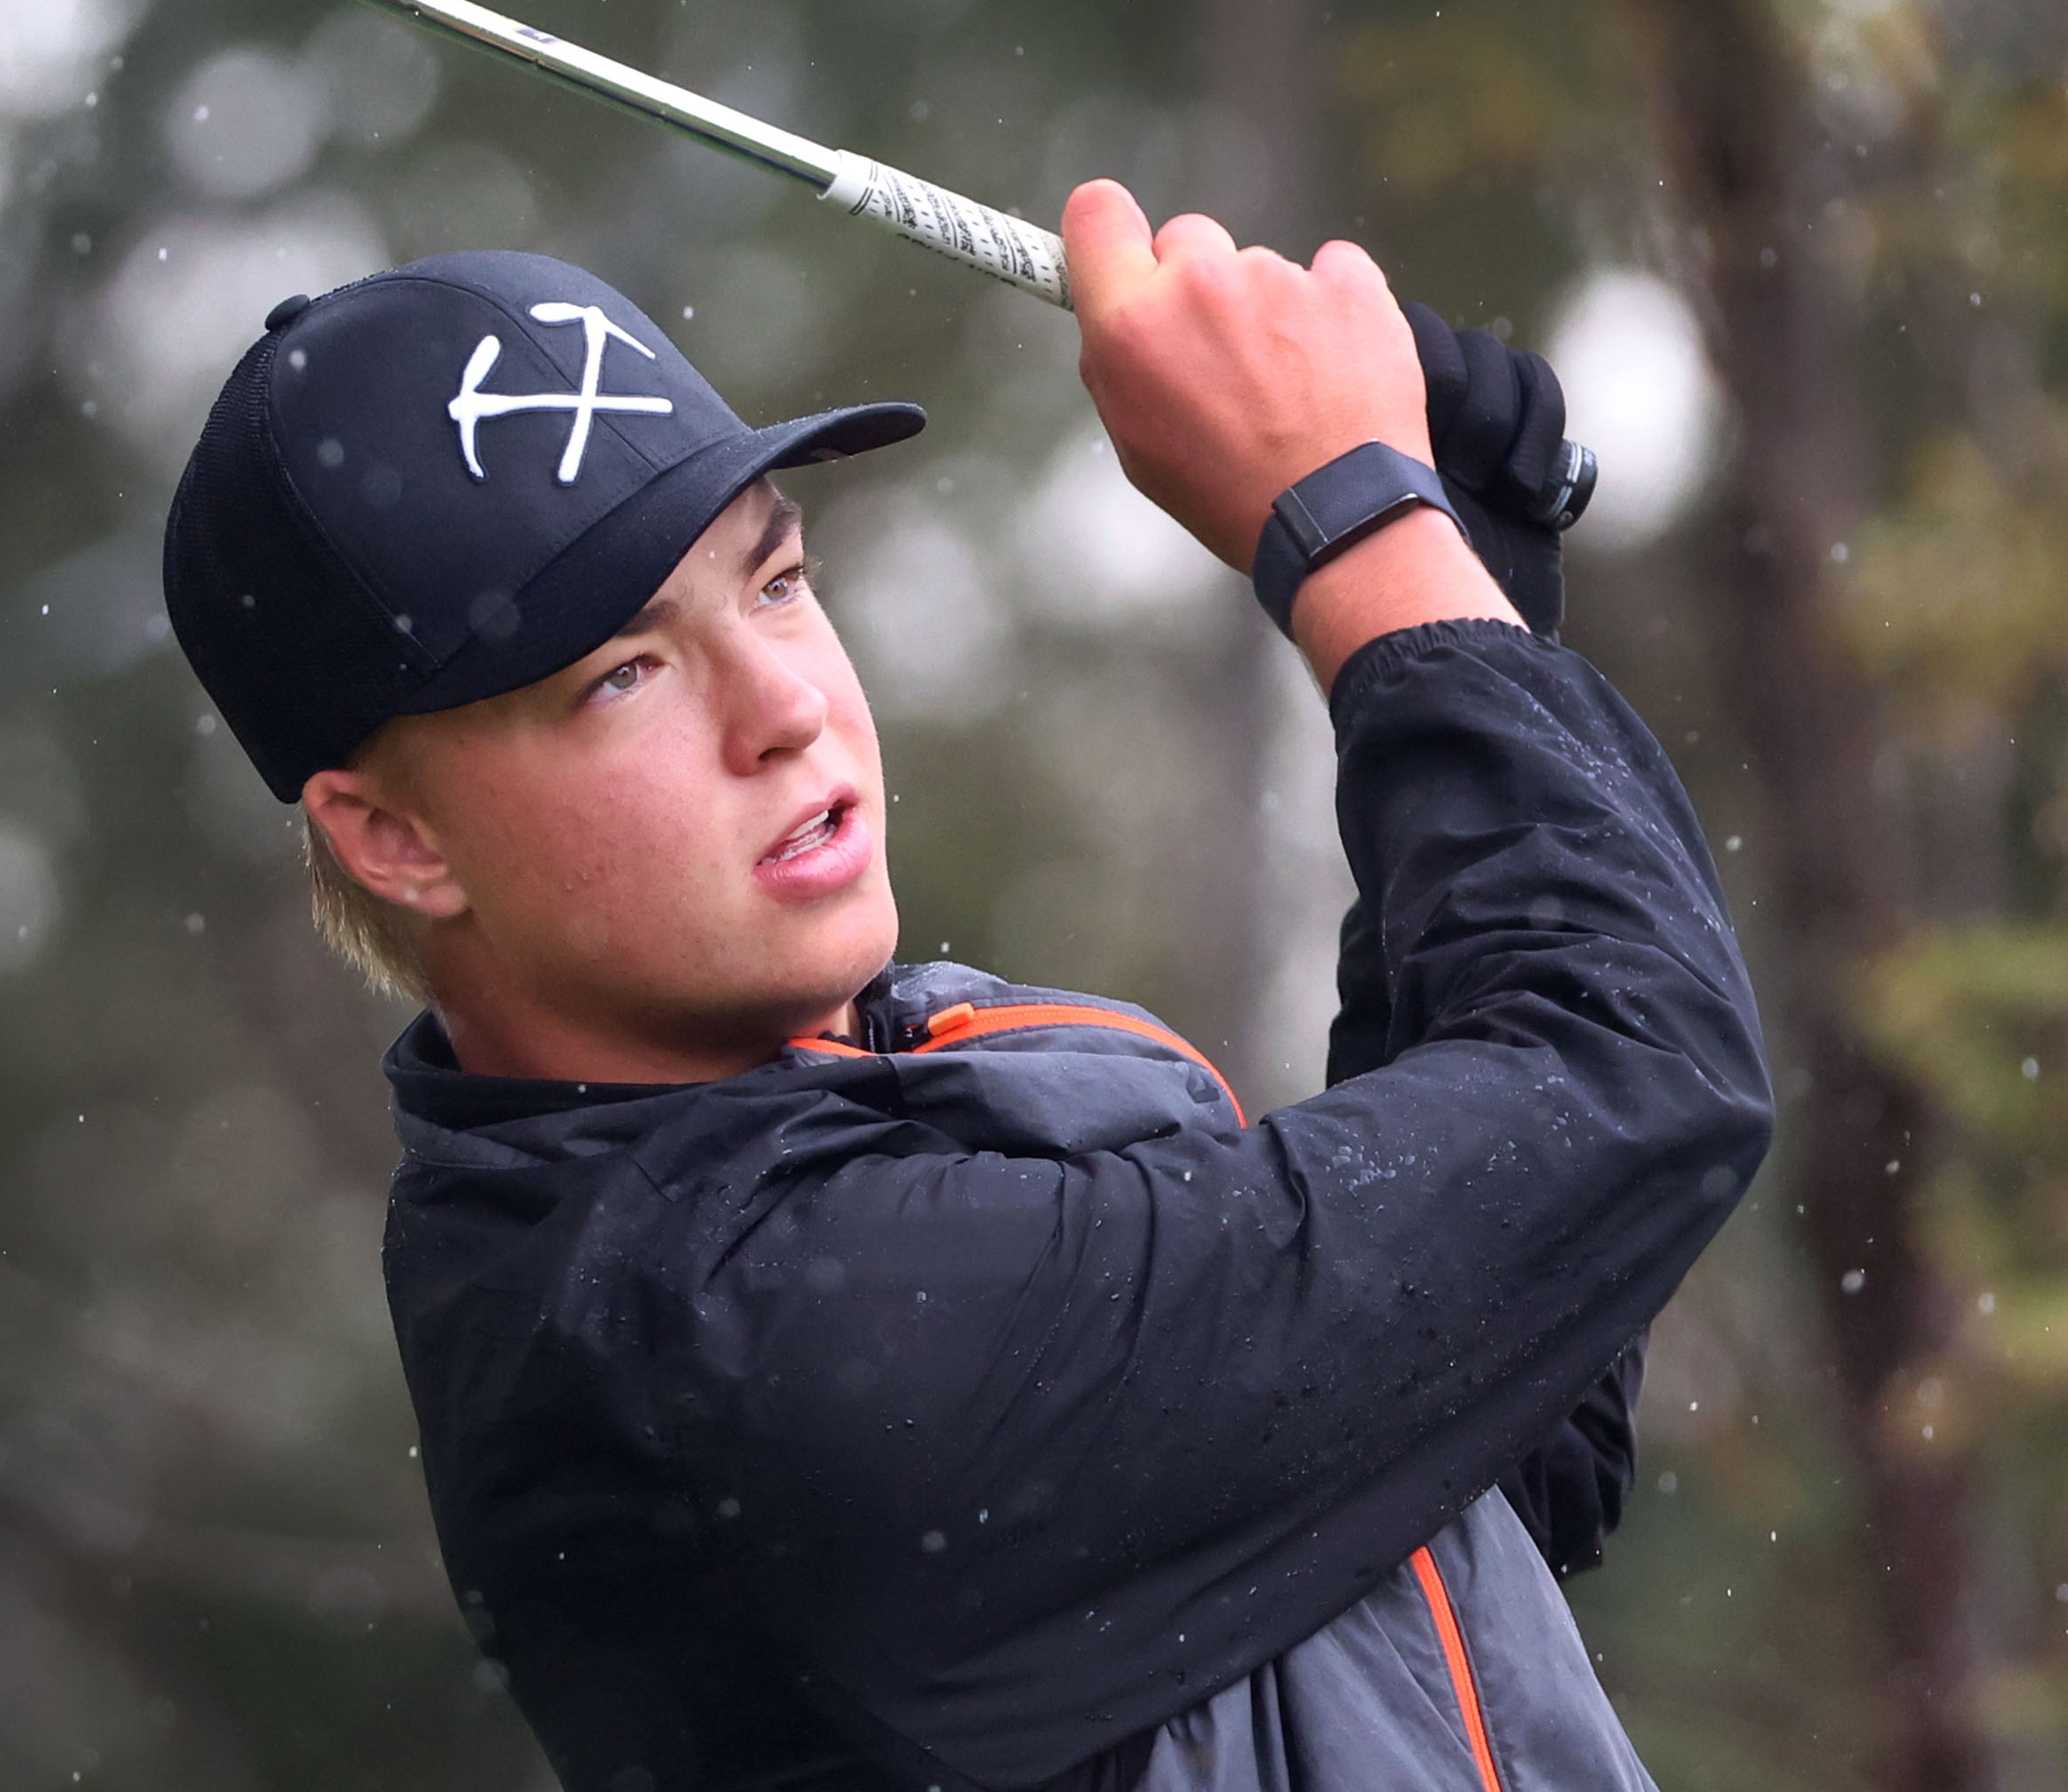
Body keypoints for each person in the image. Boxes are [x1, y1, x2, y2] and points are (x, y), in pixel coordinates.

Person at [159, 183, 1769, 1792]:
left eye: (775, 582)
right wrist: (1362, 535)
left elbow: (1485, 1430)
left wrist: (1464, 576)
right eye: (621, 672)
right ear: (393, 838)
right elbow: (1633, 1077)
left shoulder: (868, 1110)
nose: (782, 705)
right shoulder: (735, 1336)